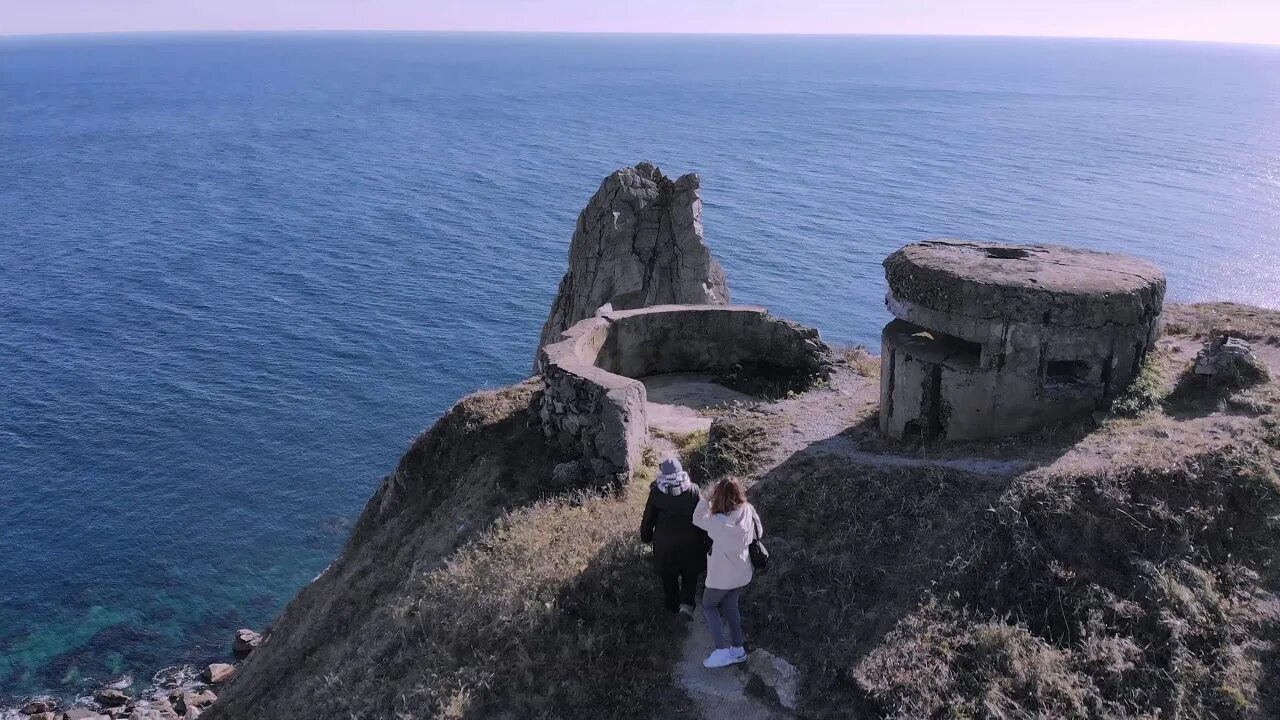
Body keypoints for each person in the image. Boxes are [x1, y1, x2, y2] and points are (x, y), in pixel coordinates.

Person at [692, 477, 762, 668]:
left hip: (721, 576)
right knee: (731, 606)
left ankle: (721, 651)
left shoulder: (716, 521)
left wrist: (706, 498)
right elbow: (759, 533)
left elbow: (696, 518)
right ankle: (738, 650)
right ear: (739, 493)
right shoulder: (748, 509)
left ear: (718, 496)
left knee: (709, 605)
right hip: (743, 572)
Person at [640, 457, 710, 618]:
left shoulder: (657, 492)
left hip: (665, 546)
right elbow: (703, 516)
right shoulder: (693, 490)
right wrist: (706, 541)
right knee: (689, 575)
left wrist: (646, 537)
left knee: (668, 577)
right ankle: (686, 606)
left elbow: (648, 519)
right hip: (691, 543)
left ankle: (672, 608)